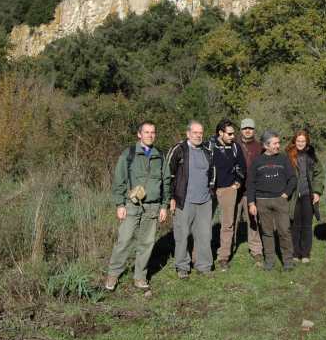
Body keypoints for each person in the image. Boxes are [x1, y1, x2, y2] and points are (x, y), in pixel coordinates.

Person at [104, 121, 168, 291]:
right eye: (146, 132)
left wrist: (164, 206)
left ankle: (140, 277)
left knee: (146, 244)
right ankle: (113, 275)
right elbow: (119, 180)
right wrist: (120, 204)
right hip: (131, 206)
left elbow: (166, 181)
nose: (150, 135)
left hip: (153, 207)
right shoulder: (129, 154)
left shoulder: (160, 155)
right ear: (139, 134)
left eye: (153, 132)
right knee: (124, 241)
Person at [164, 120, 215, 279]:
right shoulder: (178, 150)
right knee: (182, 234)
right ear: (188, 134)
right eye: (195, 133)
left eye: (200, 133)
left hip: (205, 200)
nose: (198, 136)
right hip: (184, 199)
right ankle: (182, 266)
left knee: (205, 234)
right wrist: (171, 197)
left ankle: (204, 265)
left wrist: (211, 188)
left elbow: (213, 171)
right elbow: (168, 175)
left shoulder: (207, 150)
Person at [247, 130, 297, 271]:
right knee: (267, 233)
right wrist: (251, 203)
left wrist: (286, 194)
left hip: (280, 201)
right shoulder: (257, 162)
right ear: (266, 145)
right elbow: (250, 183)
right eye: (275, 143)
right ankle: (269, 260)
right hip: (262, 201)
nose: (278, 146)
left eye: (278, 142)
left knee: (284, 231)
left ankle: (288, 261)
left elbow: (293, 178)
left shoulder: (283, 159)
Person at [206, 119, 247, 271]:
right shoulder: (208, 146)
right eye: (229, 134)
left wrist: (237, 181)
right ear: (220, 133)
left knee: (227, 224)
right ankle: (200, 256)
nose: (232, 136)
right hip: (209, 190)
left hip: (229, 189)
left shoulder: (235, 147)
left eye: (233, 134)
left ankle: (223, 257)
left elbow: (242, 166)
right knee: (203, 224)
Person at [285, 129, 323, 263]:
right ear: (294, 141)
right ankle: (295, 253)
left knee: (307, 225)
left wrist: (317, 192)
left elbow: (319, 174)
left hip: (308, 194)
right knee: (295, 225)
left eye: (303, 141)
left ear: (306, 142)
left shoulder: (311, 155)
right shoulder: (288, 155)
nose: (300, 143)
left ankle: (305, 253)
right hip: (294, 195)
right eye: (298, 141)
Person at [235, 118, 264, 264]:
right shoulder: (233, 145)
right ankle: (228, 249)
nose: (248, 130)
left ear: (254, 130)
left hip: (252, 190)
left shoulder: (260, 147)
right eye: (245, 128)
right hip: (234, 189)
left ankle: (256, 250)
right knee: (231, 221)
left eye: (250, 128)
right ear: (241, 129)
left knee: (254, 221)